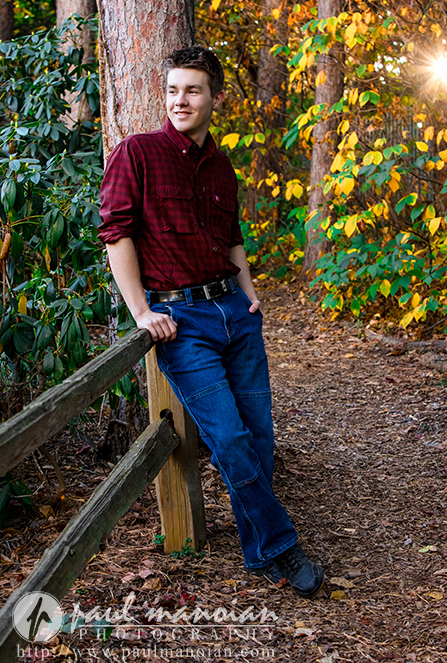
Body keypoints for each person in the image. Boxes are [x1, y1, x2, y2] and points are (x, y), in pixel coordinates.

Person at [98, 45, 324, 598]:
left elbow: (232, 240)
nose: (181, 100)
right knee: (227, 438)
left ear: (215, 97)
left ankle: (256, 552)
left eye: (193, 90)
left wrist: (251, 297)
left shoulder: (222, 164)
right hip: (181, 321)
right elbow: (115, 233)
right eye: (173, 89)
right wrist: (143, 312)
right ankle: (283, 547)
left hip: (235, 314)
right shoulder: (138, 153)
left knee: (260, 438)